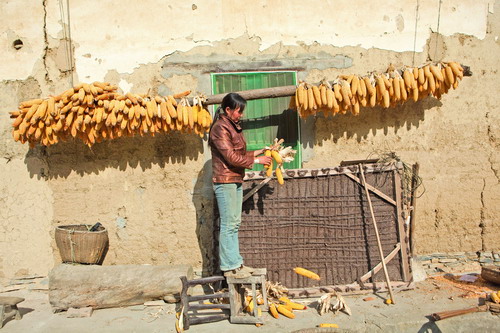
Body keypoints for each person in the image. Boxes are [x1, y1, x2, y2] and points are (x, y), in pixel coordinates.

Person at [209, 93, 272, 279]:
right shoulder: (220, 128)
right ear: (228, 110)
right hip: (225, 181)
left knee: (234, 223)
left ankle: (236, 264)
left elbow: (240, 153)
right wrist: (258, 160)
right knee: (229, 224)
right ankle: (230, 267)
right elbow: (230, 157)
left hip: (234, 179)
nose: (241, 115)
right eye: (239, 111)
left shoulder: (231, 126)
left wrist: (261, 151)